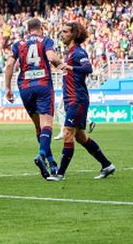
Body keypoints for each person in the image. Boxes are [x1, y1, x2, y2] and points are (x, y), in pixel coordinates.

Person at [48, 21, 115, 181]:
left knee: (67, 133)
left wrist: (72, 68)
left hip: (77, 99)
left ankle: (60, 174)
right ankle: (107, 165)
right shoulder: (69, 54)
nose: (62, 34)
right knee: (81, 138)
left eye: (65, 32)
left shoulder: (78, 53)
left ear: (74, 34)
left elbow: (89, 68)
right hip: (71, 99)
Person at [4, 18, 66, 179]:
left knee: (39, 128)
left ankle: (51, 163)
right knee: (47, 124)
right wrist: (63, 67)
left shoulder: (19, 44)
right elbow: (51, 57)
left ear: (28, 29)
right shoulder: (45, 40)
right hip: (43, 85)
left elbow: (9, 65)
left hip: (25, 87)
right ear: (41, 28)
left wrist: (8, 88)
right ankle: (41, 155)